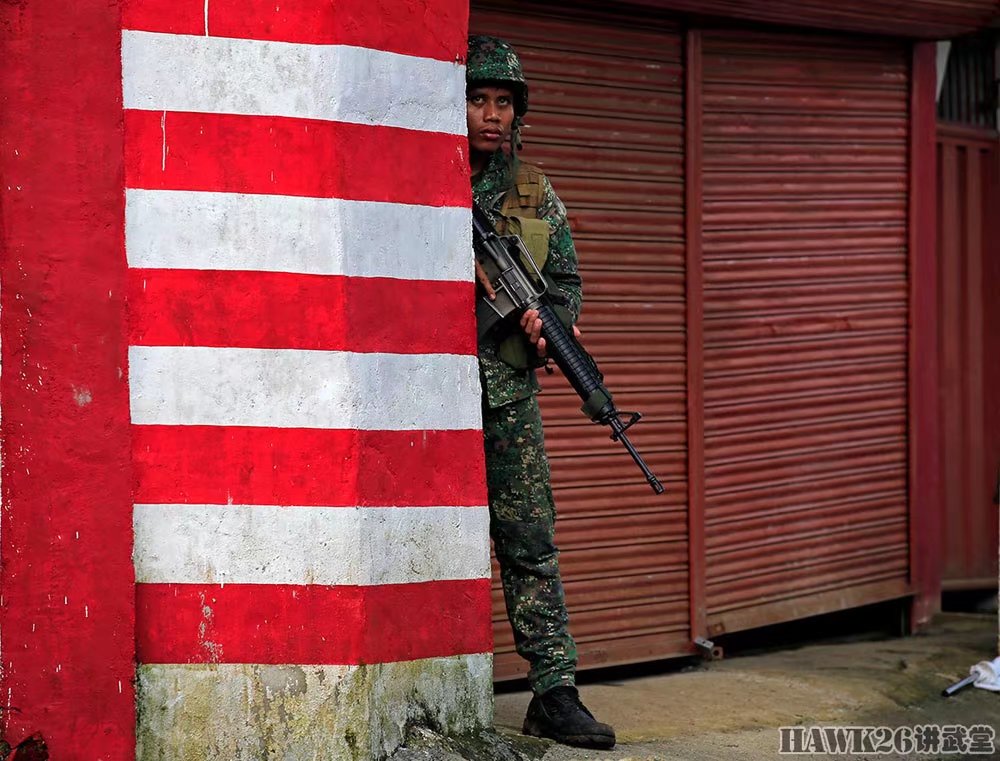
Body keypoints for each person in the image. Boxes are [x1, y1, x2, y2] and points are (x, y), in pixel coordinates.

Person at [466, 34, 616, 751]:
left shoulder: (531, 189)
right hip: (430, 398)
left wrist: (545, 317)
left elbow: (568, 283)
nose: (491, 115)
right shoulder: (416, 174)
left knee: (530, 542)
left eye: (503, 102)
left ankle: (554, 691)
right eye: (477, 99)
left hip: (506, 392)